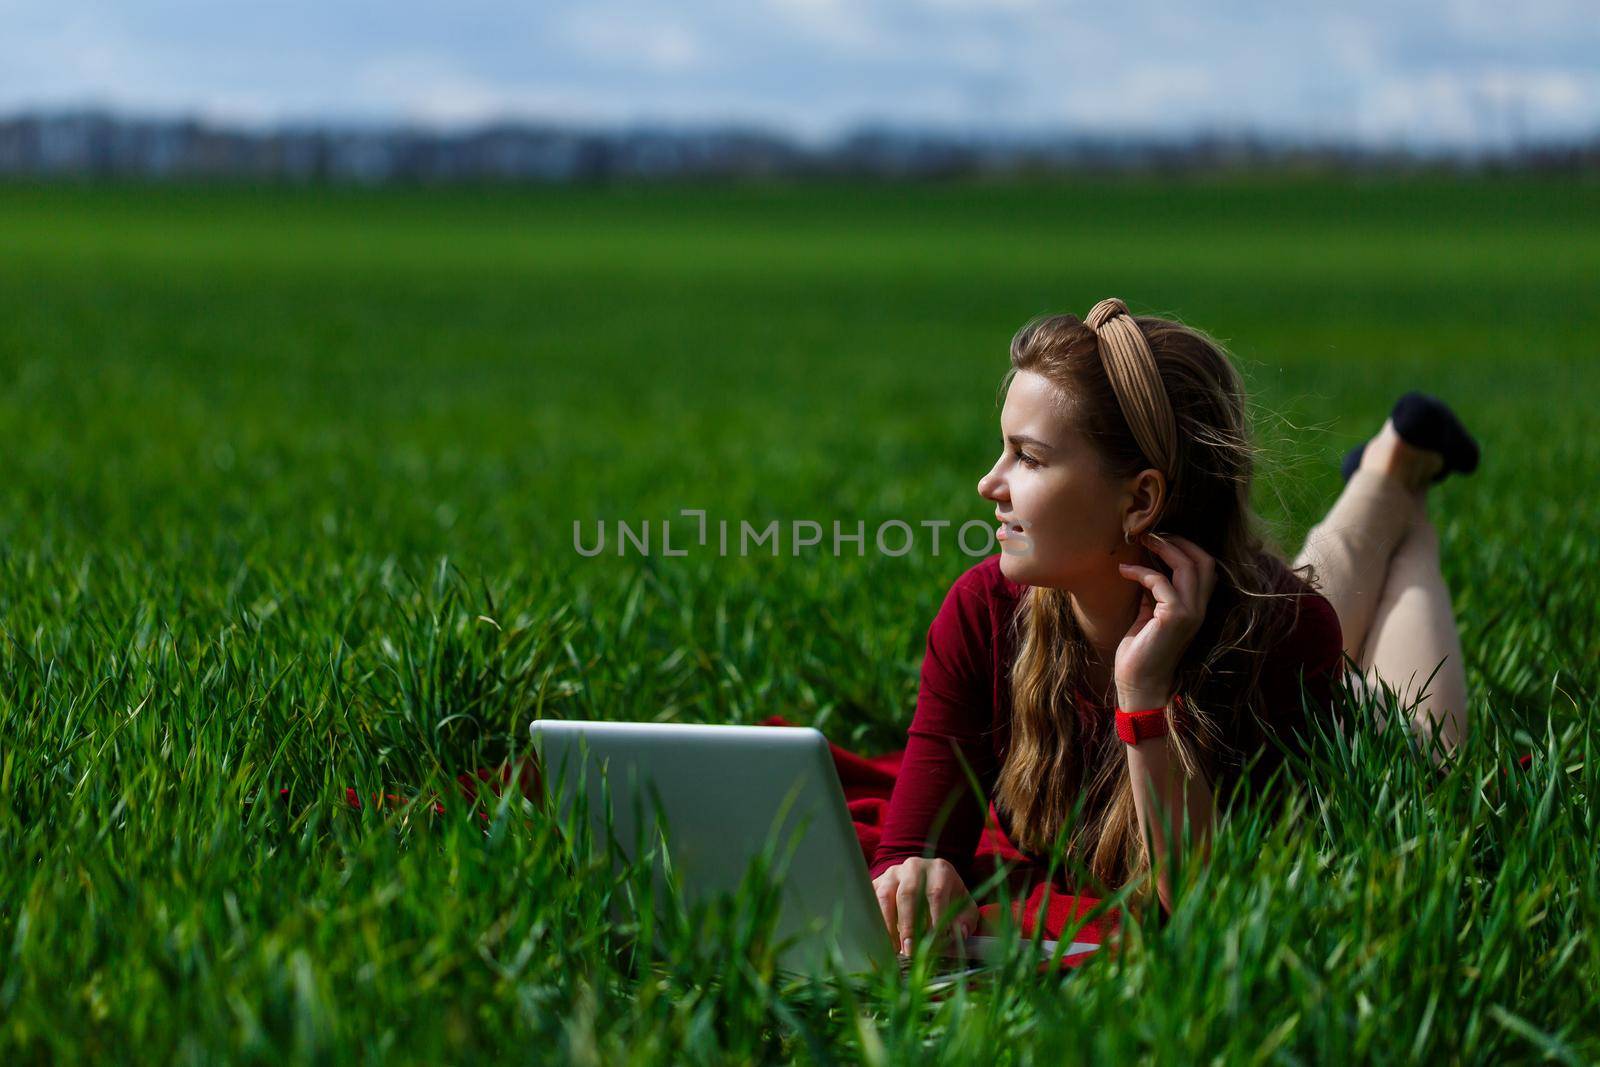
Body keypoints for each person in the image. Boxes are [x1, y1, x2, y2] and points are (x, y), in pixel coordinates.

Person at [869, 298, 1480, 957]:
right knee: (1308, 583)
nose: (990, 482)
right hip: (1251, 602)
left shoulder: (1282, 636)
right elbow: (906, 851)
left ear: (1140, 500)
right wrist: (914, 872)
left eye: (1029, 457)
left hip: (1334, 701)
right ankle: (1390, 467)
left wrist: (1145, 698)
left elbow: (1206, 909)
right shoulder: (983, 612)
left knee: (1432, 751)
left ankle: (1402, 499)